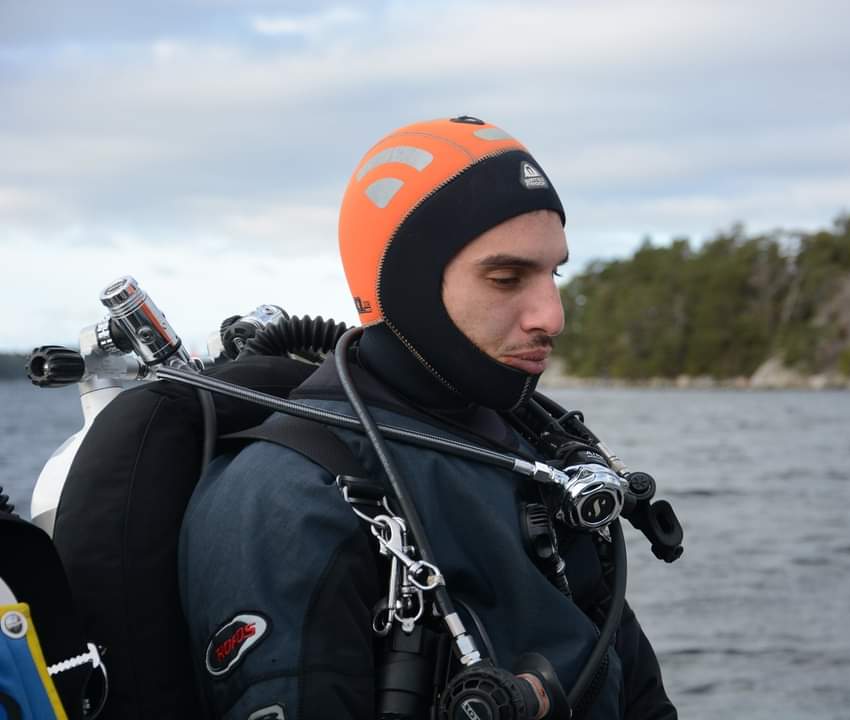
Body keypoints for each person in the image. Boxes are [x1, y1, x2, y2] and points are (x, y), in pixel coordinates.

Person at [178, 116, 678, 719]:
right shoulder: (286, 501)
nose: (552, 315)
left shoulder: (538, 451)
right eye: (506, 278)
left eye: (555, 274)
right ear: (408, 285)